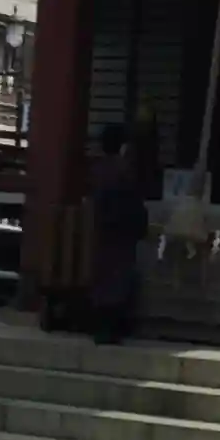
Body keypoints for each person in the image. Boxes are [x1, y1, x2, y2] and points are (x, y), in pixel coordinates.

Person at [87, 122, 148, 345]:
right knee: (119, 279)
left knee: (103, 277)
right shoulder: (125, 171)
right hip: (122, 232)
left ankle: (100, 327)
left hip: (102, 229)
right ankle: (112, 329)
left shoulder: (98, 170)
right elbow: (134, 204)